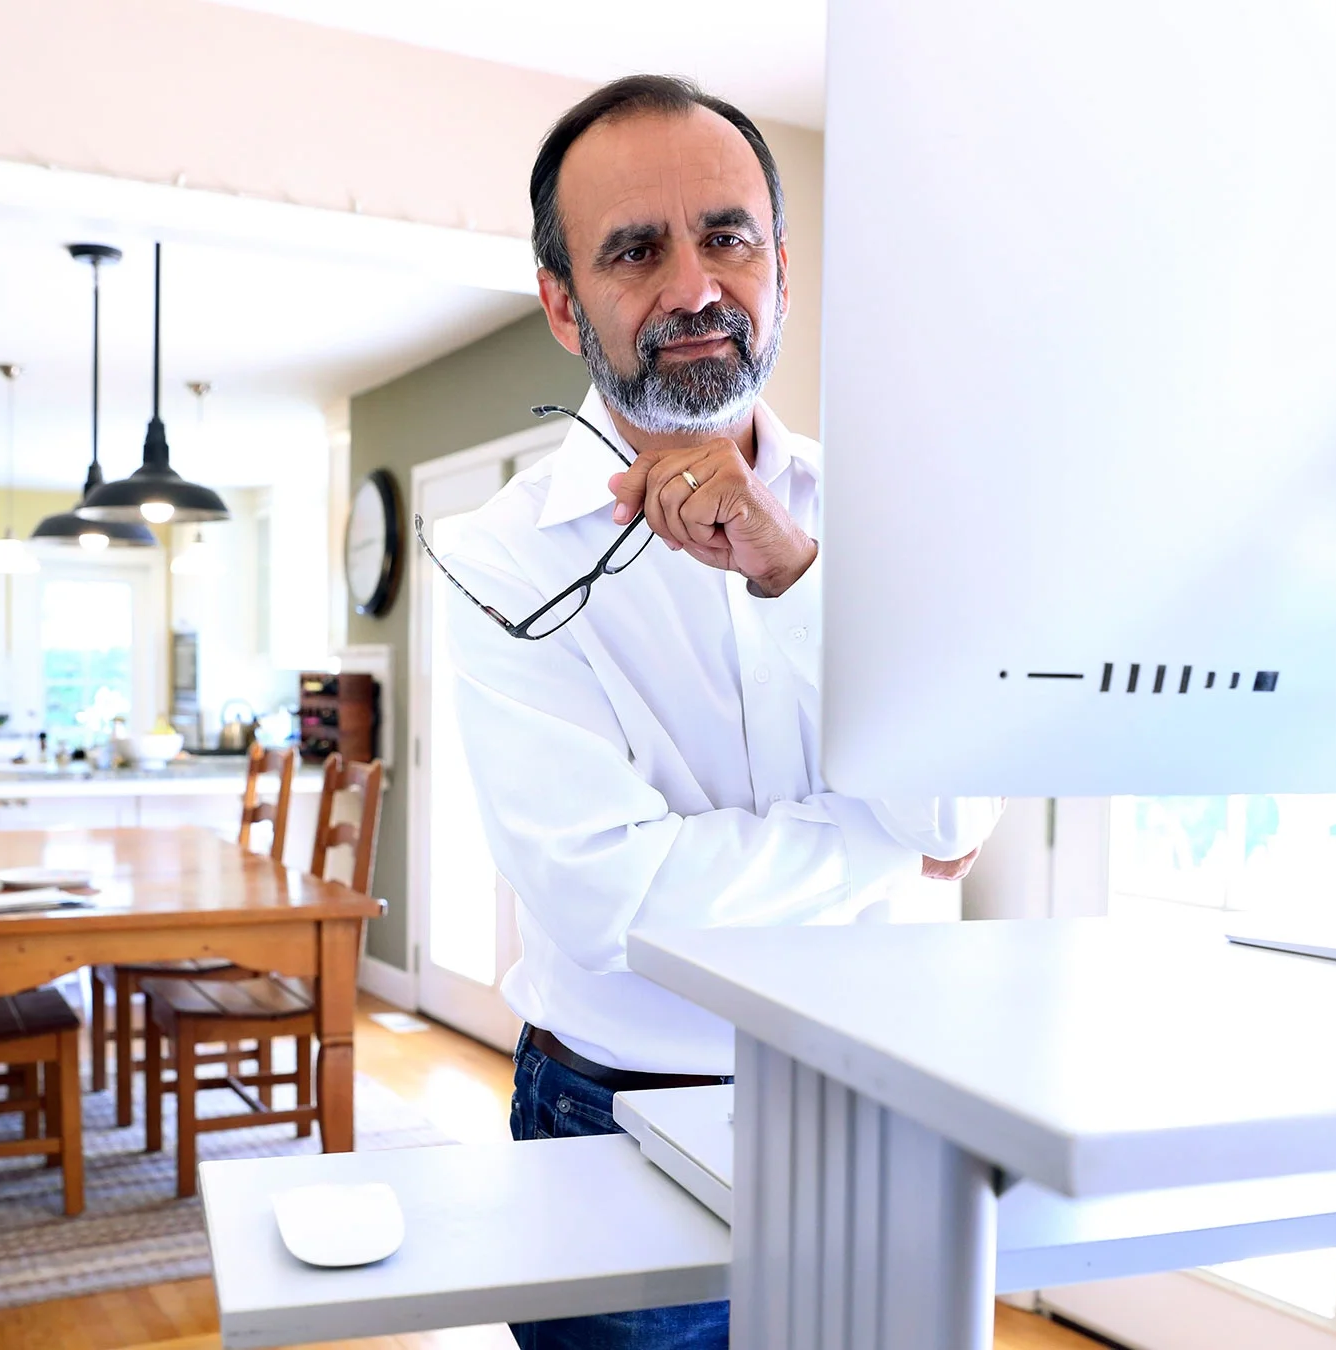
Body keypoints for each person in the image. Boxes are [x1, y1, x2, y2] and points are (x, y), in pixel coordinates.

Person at [423, 75, 1000, 1349]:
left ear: (782, 266)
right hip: (613, 1125)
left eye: (727, 236)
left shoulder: (883, 507)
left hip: (870, 1114)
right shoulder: (496, 559)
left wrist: (797, 573)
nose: (694, 287)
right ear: (564, 303)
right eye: (635, 250)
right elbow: (611, 903)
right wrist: (882, 834)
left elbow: (960, 802)